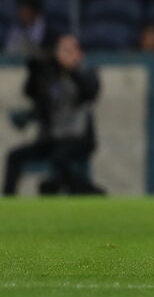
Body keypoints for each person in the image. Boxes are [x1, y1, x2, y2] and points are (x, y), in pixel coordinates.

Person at [3, 34, 103, 195]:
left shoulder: (88, 71)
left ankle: (86, 190)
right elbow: (32, 94)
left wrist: (71, 70)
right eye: (63, 50)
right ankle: (8, 200)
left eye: (70, 50)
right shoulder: (50, 75)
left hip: (79, 137)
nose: (66, 55)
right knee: (14, 156)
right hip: (53, 138)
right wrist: (34, 71)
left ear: (79, 53)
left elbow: (90, 92)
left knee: (60, 157)